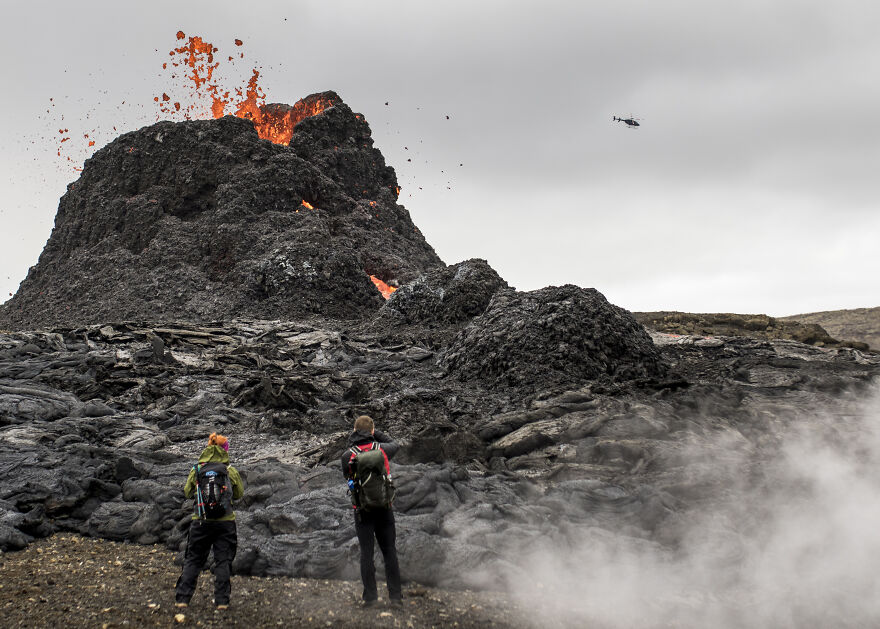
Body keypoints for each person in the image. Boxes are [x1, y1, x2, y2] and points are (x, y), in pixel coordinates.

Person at [175, 433, 244, 610]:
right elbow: (239, 494)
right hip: (226, 522)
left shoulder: (197, 470)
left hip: (201, 521)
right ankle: (222, 601)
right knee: (223, 561)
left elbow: (188, 492)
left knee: (193, 560)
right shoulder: (229, 470)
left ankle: (182, 598)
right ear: (225, 451)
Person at [341, 415, 403, 608]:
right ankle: (395, 598)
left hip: (362, 510)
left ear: (354, 430)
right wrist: (376, 434)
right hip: (385, 508)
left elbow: (347, 477)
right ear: (372, 431)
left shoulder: (347, 456)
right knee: (390, 551)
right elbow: (396, 444)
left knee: (366, 554)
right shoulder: (383, 449)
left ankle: (370, 598)